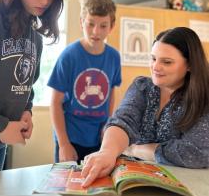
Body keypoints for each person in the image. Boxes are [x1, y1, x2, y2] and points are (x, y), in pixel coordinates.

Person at [81, 27, 209, 187]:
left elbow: (198, 153)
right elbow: (123, 121)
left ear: (190, 65)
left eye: (166, 62)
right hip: (131, 179)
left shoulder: (204, 98)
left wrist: (136, 150)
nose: (156, 67)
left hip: (184, 185)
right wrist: (107, 151)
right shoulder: (142, 87)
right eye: (153, 58)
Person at [0, 0, 63, 172]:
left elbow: (27, 82)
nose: (44, 0)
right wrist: (0, 125)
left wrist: (26, 109)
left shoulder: (33, 31)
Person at [48, 0, 121, 164]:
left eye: (103, 26)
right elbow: (55, 102)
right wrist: (64, 144)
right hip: (70, 137)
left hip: (99, 139)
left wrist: (108, 126)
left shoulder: (114, 57)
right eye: (90, 24)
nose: (96, 32)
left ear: (112, 26)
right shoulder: (69, 56)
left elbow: (110, 95)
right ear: (82, 22)